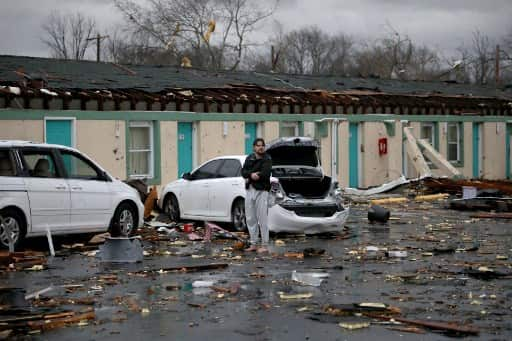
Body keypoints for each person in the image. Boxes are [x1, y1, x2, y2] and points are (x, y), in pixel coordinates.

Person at [241, 138, 272, 253]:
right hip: (250, 190)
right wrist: (251, 174)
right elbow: (243, 172)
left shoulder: (267, 158)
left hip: (262, 191)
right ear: (254, 147)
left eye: (262, 145)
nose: (260, 147)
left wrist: (254, 174)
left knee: (262, 218)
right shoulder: (249, 158)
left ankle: (264, 245)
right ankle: (253, 243)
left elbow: (265, 173)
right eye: (258, 145)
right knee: (250, 218)